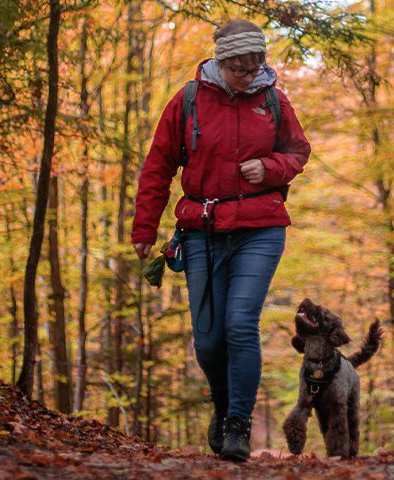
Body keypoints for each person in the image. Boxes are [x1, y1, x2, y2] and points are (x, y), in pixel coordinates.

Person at [130, 19, 311, 461]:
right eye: (241, 71)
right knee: (208, 338)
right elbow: (158, 166)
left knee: (239, 324)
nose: (250, 78)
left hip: (260, 228)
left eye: (256, 69)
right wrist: (144, 228)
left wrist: (269, 168)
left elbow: (298, 151)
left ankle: (237, 423)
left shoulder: (272, 100)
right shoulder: (188, 100)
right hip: (202, 231)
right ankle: (222, 404)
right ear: (222, 63)